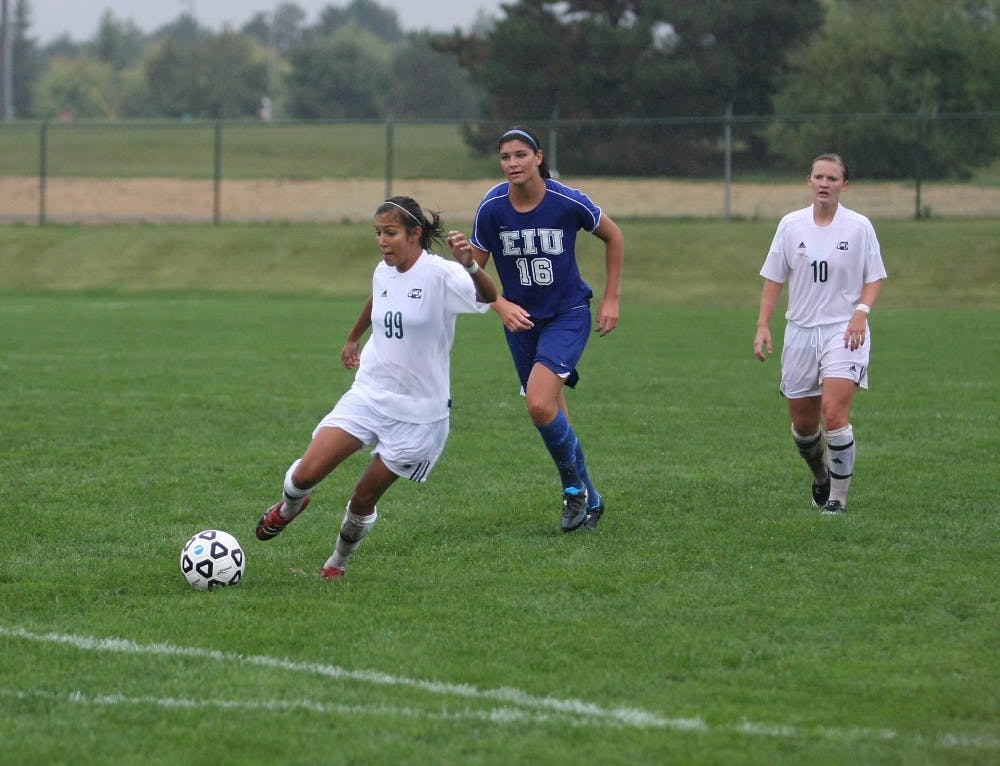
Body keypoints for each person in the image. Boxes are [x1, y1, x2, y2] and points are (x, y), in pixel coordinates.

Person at [255, 196, 498, 577]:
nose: (382, 241)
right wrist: (354, 337)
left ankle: (338, 563)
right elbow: (379, 299)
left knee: (363, 496)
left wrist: (470, 265)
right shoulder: (383, 270)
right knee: (305, 474)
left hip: (419, 415)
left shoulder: (441, 275)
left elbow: (489, 296)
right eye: (378, 233)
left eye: (391, 233)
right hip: (369, 394)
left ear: (415, 233)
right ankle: (289, 507)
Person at [446, 126, 624, 532]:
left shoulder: (566, 200)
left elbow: (613, 236)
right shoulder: (492, 207)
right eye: (506, 157)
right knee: (551, 412)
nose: (513, 163)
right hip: (521, 322)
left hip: (567, 313)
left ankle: (573, 493)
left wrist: (611, 299)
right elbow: (477, 276)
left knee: (540, 405)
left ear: (539, 157)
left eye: (521, 155)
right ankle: (591, 497)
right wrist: (491, 292)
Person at [753, 153, 887, 515]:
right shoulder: (791, 225)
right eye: (819, 177)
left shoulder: (859, 227)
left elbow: (874, 278)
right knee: (803, 426)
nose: (825, 184)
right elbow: (774, 279)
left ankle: (837, 501)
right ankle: (821, 475)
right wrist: (763, 325)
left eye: (832, 178)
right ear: (809, 181)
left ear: (845, 184)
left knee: (834, 413)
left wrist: (861, 313)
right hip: (799, 332)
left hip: (844, 331)